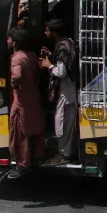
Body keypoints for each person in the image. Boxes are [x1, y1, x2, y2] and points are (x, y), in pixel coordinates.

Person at [5, 27, 45, 180]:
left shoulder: (17, 58)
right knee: (36, 126)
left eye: (9, 39)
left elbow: (17, 75)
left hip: (21, 99)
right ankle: (38, 156)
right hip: (33, 96)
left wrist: (15, 84)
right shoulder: (31, 55)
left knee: (21, 132)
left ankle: (23, 164)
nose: (8, 41)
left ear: (15, 42)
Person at [40, 18, 78, 163]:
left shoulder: (63, 47)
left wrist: (48, 65)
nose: (45, 32)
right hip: (67, 91)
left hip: (67, 93)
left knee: (62, 125)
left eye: (47, 30)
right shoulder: (66, 43)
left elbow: (61, 72)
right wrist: (50, 55)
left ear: (54, 32)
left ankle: (64, 154)